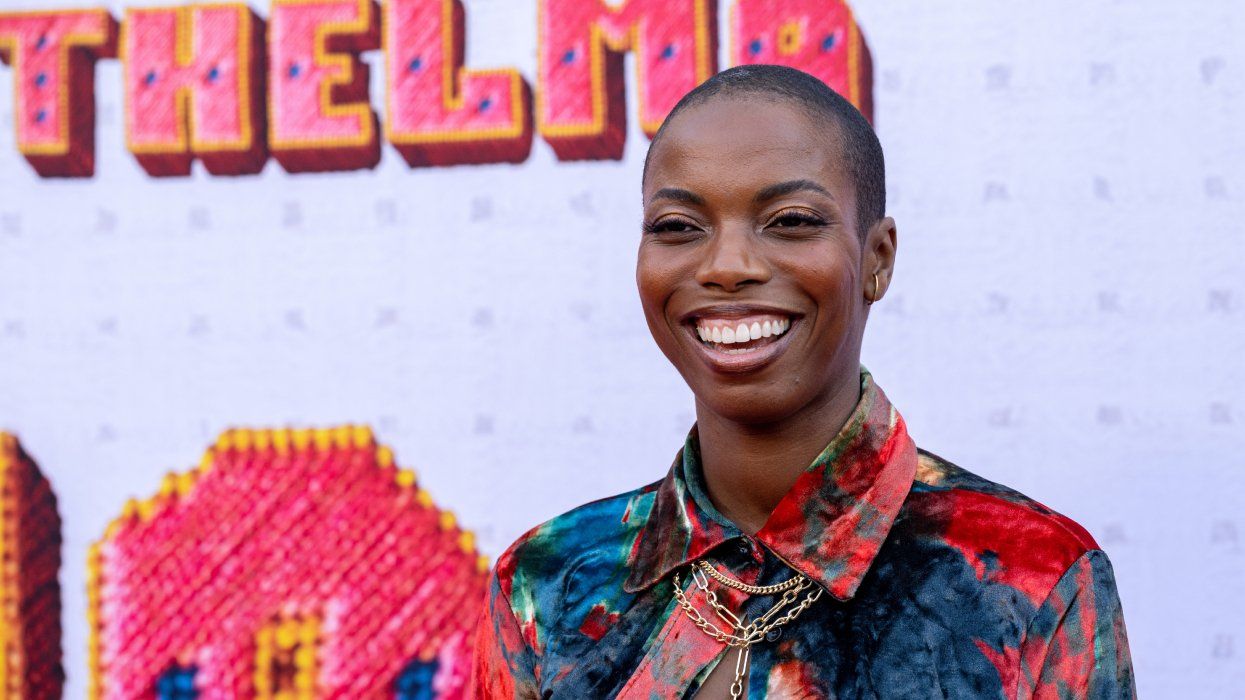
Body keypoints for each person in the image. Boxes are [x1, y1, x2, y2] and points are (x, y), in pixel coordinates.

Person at [469, 64, 1135, 699]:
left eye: (789, 221)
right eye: (677, 227)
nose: (727, 265)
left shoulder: (1031, 577)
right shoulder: (548, 585)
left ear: (876, 259)